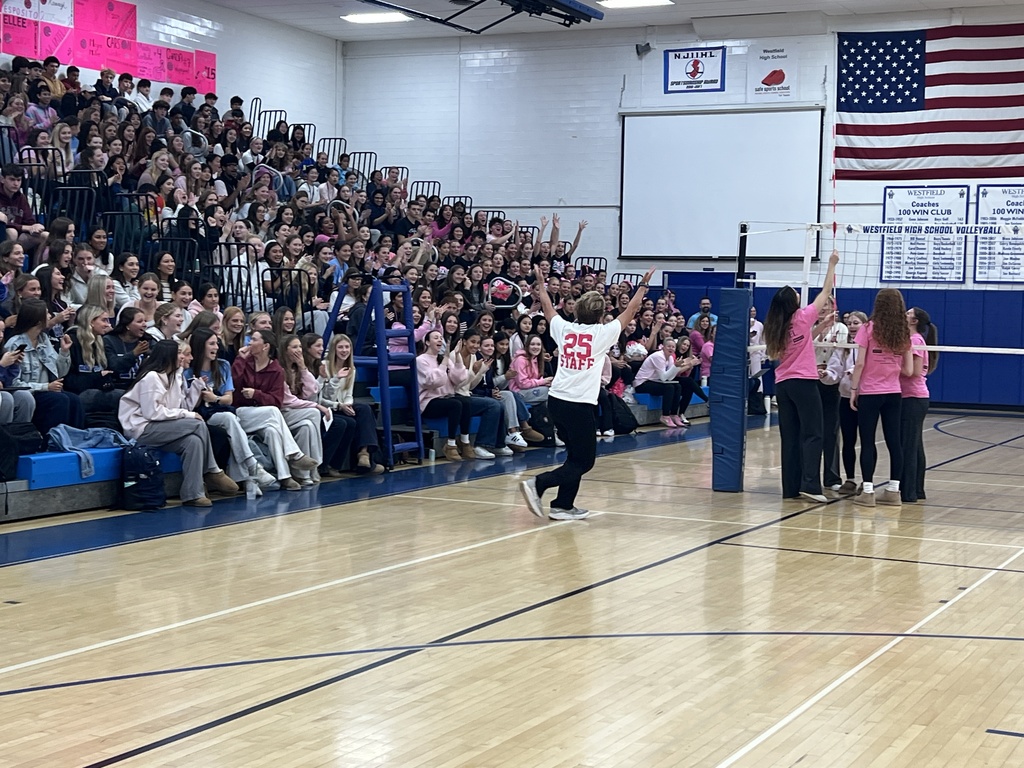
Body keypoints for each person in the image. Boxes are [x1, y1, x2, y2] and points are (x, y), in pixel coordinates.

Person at [521, 265, 654, 521]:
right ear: (600, 315)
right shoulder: (602, 334)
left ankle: (563, 505)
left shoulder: (564, 329)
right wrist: (643, 286)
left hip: (556, 401)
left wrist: (541, 282)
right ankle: (538, 484)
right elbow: (631, 311)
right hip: (578, 404)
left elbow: (547, 308)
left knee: (574, 456)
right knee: (584, 461)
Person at [117, 339, 239, 508]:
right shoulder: (151, 377)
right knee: (198, 424)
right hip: (141, 429)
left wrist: (196, 388)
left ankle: (193, 494)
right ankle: (212, 470)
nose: (183, 357)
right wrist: (187, 414)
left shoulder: (175, 376)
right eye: (179, 354)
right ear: (168, 356)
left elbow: (182, 408)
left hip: (162, 427)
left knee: (193, 442)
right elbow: (152, 413)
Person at [763, 249, 839, 503]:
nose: (799, 295)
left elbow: (796, 343)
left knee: (790, 437)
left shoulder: (776, 326)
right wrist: (832, 264)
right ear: (792, 302)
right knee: (814, 433)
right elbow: (825, 291)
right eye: (796, 294)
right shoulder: (802, 316)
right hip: (804, 383)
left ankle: (791, 488)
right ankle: (811, 485)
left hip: (783, 385)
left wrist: (821, 327)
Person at [185, 328, 277, 493]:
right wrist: (198, 391)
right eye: (211, 344)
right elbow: (190, 404)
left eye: (216, 343)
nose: (216, 347)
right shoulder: (188, 372)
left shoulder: (223, 365)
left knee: (231, 424)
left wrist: (214, 398)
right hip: (202, 414)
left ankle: (249, 479)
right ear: (200, 346)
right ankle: (253, 467)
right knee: (230, 420)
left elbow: (229, 399)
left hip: (221, 409)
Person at [230, 328, 320, 490]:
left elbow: (276, 401)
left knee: (273, 431)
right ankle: (296, 454)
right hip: (241, 412)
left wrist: (257, 394)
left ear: (265, 346)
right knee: (273, 412)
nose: (250, 343)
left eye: (254, 339)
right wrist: (240, 360)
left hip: (265, 416)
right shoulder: (245, 362)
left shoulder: (276, 369)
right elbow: (234, 385)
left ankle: (285, 476)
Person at [849, 289, 914, 508]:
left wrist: (853, 389)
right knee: (894, 442)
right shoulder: (903, 332)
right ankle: (893, 491)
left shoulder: (868, 328)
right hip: (893, 393)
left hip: (870, 392)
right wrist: (890, 366)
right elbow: (908, 370)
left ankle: (868, 492)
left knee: (868, 441)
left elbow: (859, 363)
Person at [5, 298, 84, 434]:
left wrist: (64, 352)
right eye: (46, 313)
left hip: (47, 391)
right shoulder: (15, 344)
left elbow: (60, 373)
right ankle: (50, 440)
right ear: (37, 321)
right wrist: (46, 387)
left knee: (75, 400)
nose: (50, 316)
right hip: (30, 394)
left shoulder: (44, 339)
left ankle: (74, 438)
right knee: (60, 400)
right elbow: (13, 383)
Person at [317, 333, 384, 475]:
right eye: (340, 347)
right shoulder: (324, 366)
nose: (344, 350)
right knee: (350, 423)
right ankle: (341, 464)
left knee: (364, 409)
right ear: (334, 349)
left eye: (347, 347)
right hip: (328, 407)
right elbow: (322, 398)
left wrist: (347, 405)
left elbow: (349, 395)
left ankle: (364, 453)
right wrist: (338, 402)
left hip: (341, 406)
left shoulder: (351, 369)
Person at [821, 310, 867, 497]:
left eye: (856, 323)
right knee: (848, 441)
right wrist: (826, 375)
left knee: (867, 441)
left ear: (865, 325)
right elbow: (835, 370)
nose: (852, 326)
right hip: (846, 398)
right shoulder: (844, 347)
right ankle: (850, 479)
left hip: (867, 398)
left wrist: (856, 373)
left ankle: (867, 481)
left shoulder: (870, 346)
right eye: (850, 323)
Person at [900, 307, 937, 504]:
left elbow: (913, 371)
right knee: (914, 444)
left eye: (907, 313)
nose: (904, 315)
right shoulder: (914, 339)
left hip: (913, 397)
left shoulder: (915, 340)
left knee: (909, 445)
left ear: (914, 321)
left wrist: (887, 366)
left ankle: (908, 492)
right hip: (913, 397)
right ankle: (917, 489)